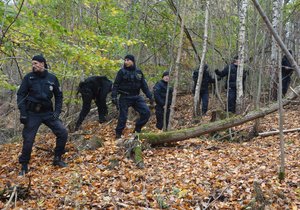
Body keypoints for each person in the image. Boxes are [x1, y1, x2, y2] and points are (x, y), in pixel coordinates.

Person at [17, 55, 68, 176]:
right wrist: (23, 113)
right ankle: (24, 166)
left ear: (43, 64)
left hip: (47, 113)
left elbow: (59, 96)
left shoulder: (52, 78)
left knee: (63, 132)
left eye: (36, 63)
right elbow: (20, 95)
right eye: (32, 64)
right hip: (32, 114)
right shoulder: (28, 78)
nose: (33, 66)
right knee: (28, 140)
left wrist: (57, 111)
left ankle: (57, 158)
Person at [111, 54, 153, 139]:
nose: (126, 62)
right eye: (125, 60)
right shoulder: (121, 72)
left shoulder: (138, 72)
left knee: (146, 112)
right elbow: (115, 85)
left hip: (136, 97)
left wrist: (150, 96)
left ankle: (137, 129)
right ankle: (118, 134)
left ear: (132, 61)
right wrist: (114, 97)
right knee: (123, 117)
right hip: (124, 97)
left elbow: (144, 86)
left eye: (128, 60)